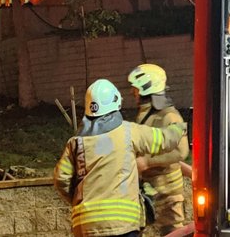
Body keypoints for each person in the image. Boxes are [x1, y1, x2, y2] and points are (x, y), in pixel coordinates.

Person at [54, 79, 186, 237]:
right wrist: (179, 127)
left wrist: (80, 203)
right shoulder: (128, 132)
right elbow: (164, 139)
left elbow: (61, 179)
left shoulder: (76, 143)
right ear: (116, 103)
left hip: (86, 226)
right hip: (122, 224)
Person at [128, 64, 189, 235]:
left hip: (168, 193)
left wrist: (146, 162)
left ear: (146, 88)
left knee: (172, 232)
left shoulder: (168, 116)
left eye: (135, 88)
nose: (133, 92)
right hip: (150, 189)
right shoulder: (147, 114)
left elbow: (181, 152)